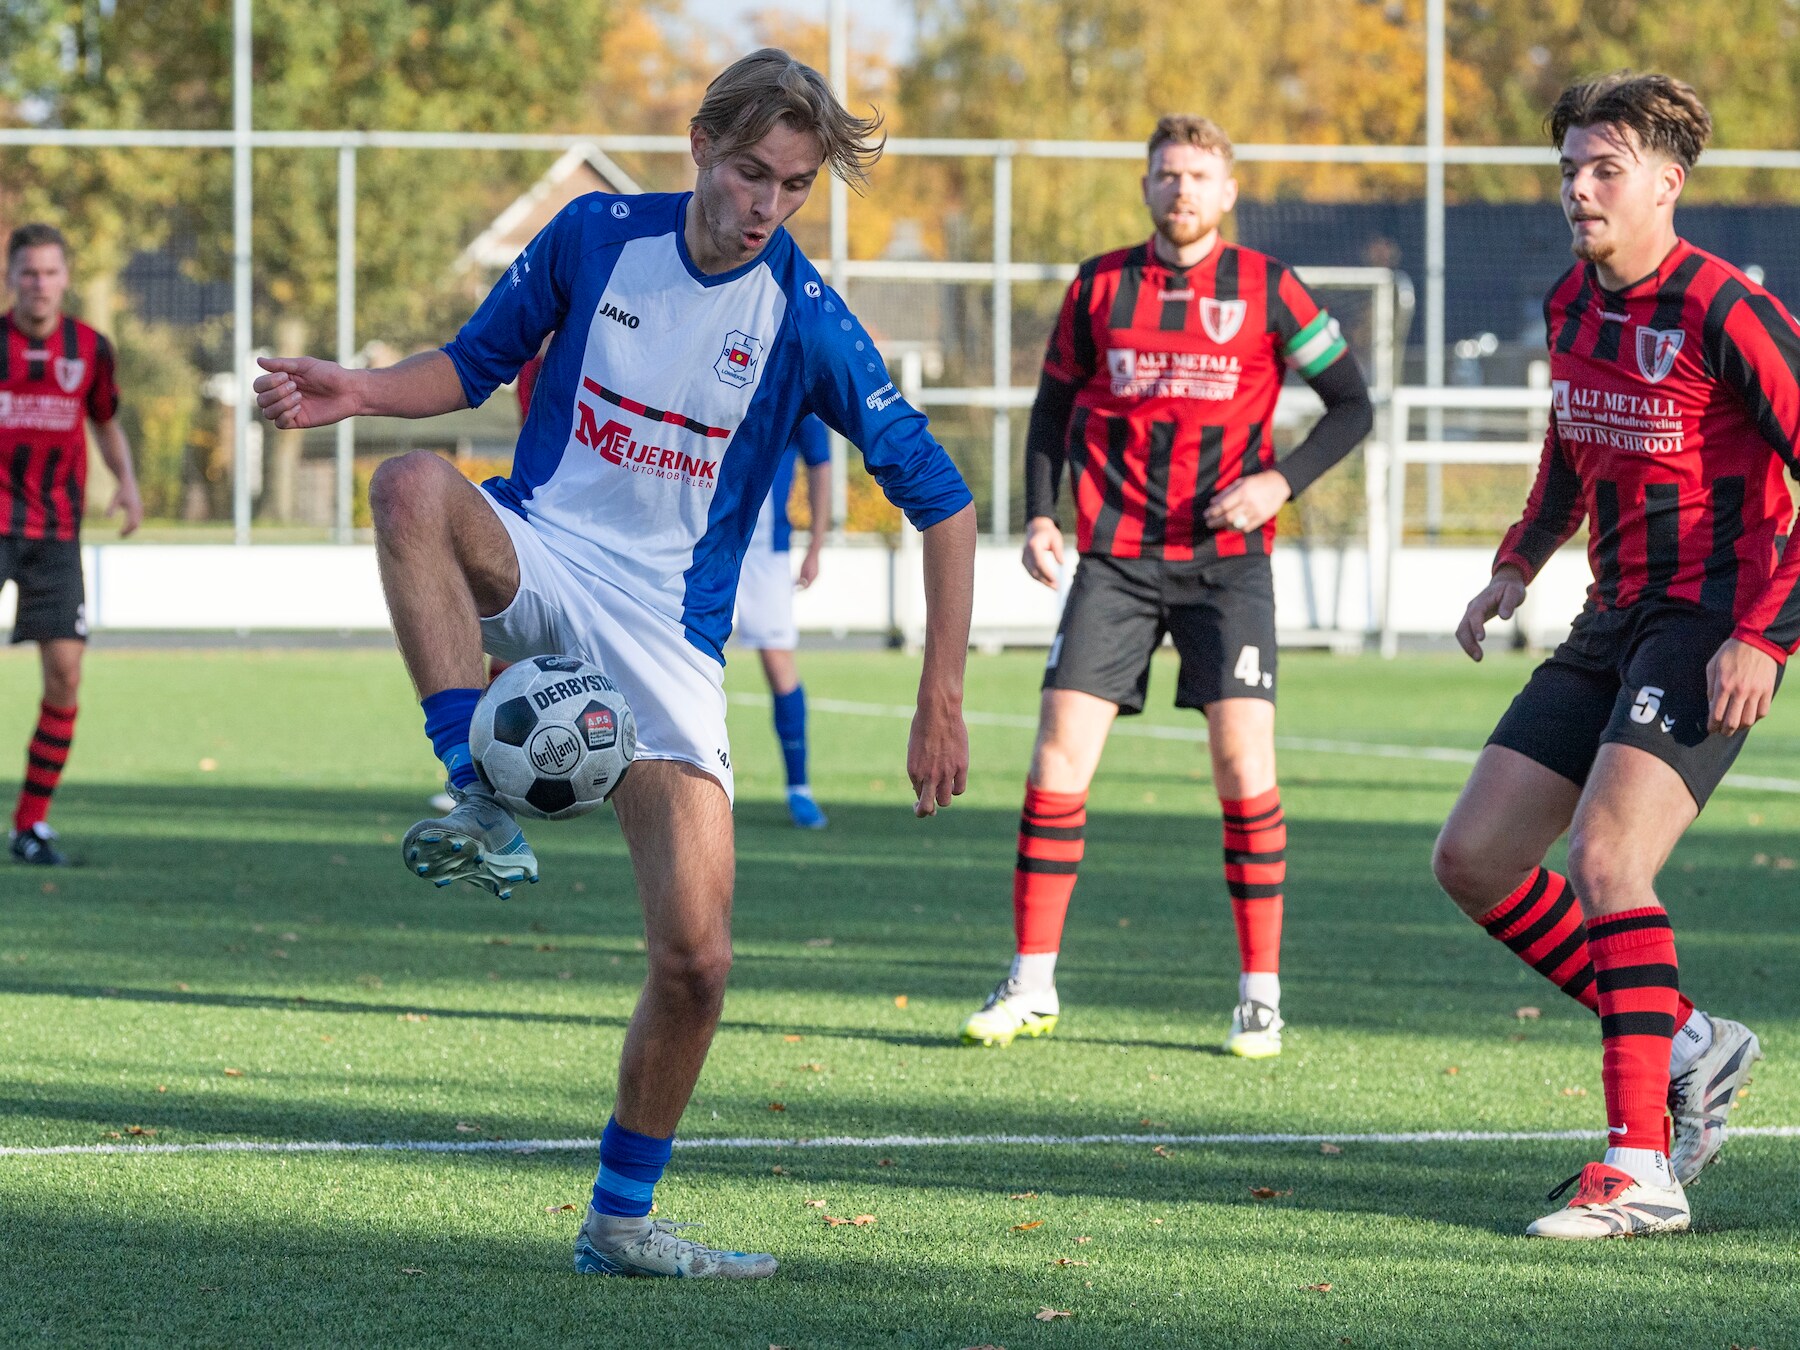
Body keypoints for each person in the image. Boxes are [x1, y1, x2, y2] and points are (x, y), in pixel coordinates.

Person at [254, 49, 975, 1279]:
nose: (768, 205)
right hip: (538, 554)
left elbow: (945, 504)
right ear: (700, 146)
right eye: (752, 171)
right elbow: (471, 368)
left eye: (795, 186)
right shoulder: (596, 235)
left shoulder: (805, 318)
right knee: (413, 485)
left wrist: (939, 699)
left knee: (697, 965)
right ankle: (475, 786)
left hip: (671, 641)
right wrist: (359, 389)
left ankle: (622, 1225)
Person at [1432, 73, 1791, 1239]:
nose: (1579, 191)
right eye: (1571, 169)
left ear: (1666, 185)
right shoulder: (1569, 304)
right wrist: (1516, 560)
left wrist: (1766, 634)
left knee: (1606, 860)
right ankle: (1686, 1038)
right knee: (1475, 859)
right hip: (1610, 617)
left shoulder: (1727, 307)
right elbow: (1572, 450)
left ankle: (1642, 1168)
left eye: (1605, 170)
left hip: (1710, 621)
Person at [957, 116, 1372, 1056]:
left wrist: (1280, 481)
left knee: (1243, 768)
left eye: (1198, 177)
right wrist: (1039, 513)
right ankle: (1031, 982)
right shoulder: (1100, 284)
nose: (1181, 190)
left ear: (1228, 193)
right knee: (1057, 761)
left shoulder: (1268, 289)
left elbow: (1354, 403)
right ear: (1145, 187)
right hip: (1114, 554)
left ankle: (1259, 994)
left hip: (1228, 563)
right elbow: (1052, 408)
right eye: (1166, 174)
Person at [1, 223, 141, 866]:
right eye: (29, 272)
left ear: (65, 279)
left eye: (51, 272)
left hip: (56, 534)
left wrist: (128, 485)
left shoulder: (90, 348)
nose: (40, 284)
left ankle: (30, 825)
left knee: (65, 675)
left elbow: (105, 421)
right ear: (11, 278)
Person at [734, 412, 831, 826]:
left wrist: (816, 545)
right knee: (673, 658)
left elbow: (820, 464)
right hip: (699, 539)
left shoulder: (799, 374)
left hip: (765, 550)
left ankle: (799, 788)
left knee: (778, 663)